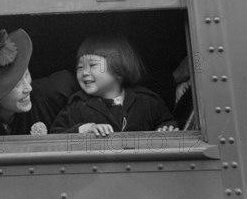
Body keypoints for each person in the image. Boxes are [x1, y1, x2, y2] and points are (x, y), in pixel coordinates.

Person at [50, 34, 178, 136]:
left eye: (93, 65)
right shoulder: (76, 105)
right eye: (80, 67)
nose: (84, 72)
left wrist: (166, 128)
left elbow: (167, 122)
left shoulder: (147, 101)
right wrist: (83, 129)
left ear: (119, 69)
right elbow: (55, 135)